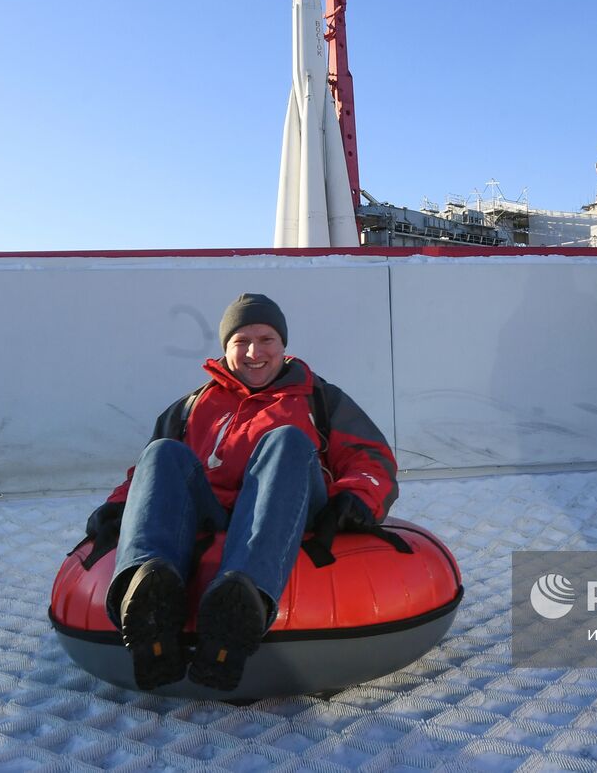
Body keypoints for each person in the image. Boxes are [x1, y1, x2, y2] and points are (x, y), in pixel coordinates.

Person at [83, 293, 398, 691]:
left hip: (289, 507)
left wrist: (357, 496)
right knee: (163, 451)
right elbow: (147, 474)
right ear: (225, 347)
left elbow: (372, 460)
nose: (254, 352)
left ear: (283, 345)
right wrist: (118, 506)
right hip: (210, 513)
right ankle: (149, 602)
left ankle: (239, 603)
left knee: (286, 441)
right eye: (241, 340)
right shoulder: (193, 406)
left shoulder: (319, 398)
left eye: (266, 339)